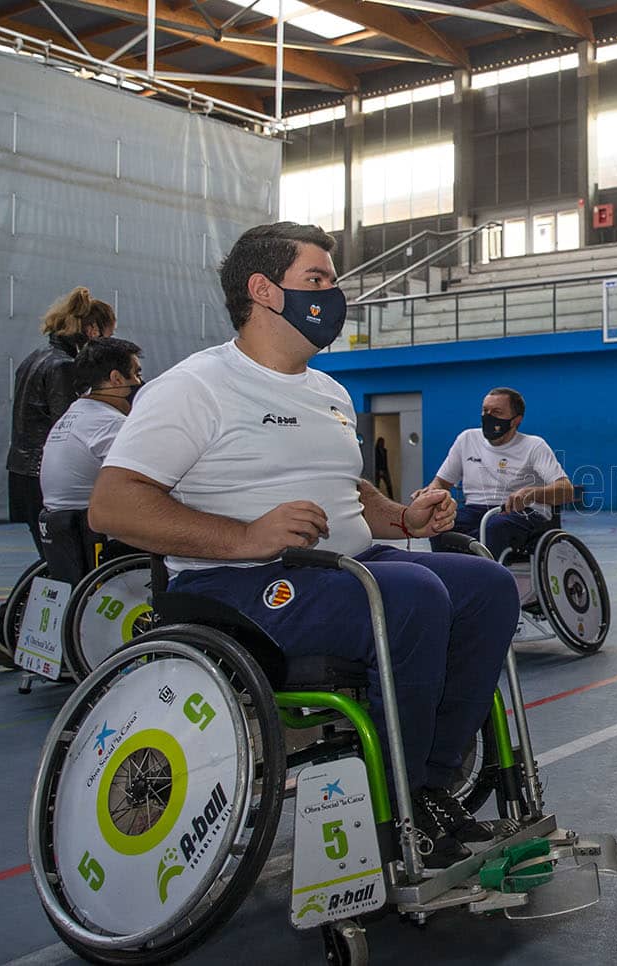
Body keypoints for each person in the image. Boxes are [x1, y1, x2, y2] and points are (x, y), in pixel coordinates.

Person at [89, 222, 519, 867]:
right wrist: (245, 536)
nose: (333, 294)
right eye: (317, 280)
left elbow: (351, 495)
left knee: (485, 585)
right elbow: (113, 505)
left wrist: (405, 520)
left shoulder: (329, 391)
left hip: (341, 569)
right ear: (263, 290)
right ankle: (395, 807)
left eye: (332, 281)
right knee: (408, 594)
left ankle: (429, 786)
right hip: (232, 583)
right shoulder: (194, 386)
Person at [0, 287, 115, 662]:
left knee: (56, 559)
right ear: (93, 331)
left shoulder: (34, 359)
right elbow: (69, 424)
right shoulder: (65, 367)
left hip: (21, 472)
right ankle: (10, 628)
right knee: (65, 563)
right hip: (46, 476)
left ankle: (11, 630)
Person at [424, 387, 574, 558]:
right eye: (485, 410)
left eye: (496, 412)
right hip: (475, 510)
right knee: (439, 524)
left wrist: (531, 493)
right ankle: (451, 574)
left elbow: (567, 490)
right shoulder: (467, 439)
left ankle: (488, 579)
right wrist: (432, 492)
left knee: (494, 527)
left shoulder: (534, 446)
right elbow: (441, 482)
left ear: (516, 420)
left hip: (521, 512)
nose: (488, 416)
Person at [39, 337, 143, 512]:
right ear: (116, 378)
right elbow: (148, 478)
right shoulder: (109, 423)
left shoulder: (76, 413)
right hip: (95, 528)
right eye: (137, 375)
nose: (140, 383)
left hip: (66, 525)